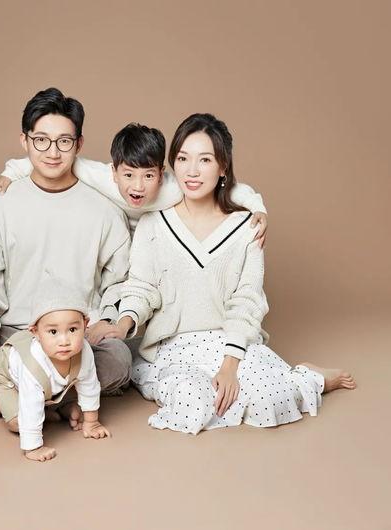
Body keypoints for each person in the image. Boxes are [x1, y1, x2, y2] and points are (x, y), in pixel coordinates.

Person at [113, 113, 356, 434]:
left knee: (271, 400)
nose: (192, 171)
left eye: (205, 159)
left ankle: (312, 377)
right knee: (191, 405)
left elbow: (247, 300)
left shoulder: (247, 227)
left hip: (229, 341)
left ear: (223, 167)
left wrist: (230, 366)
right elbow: (141, 288)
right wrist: (123, 324)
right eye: (183, 159)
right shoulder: (153, 224)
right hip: (172, 346)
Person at [0, 88, 132, 430]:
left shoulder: (104, 210)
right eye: (41, 140)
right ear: (25, 141)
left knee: (119, 359)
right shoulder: (0, 205)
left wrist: (104, 321)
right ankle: (55, 400)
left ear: (78, 144)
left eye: (63, 141)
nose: (52, 152)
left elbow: (119, 282)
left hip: (72, 339)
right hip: (11, 337)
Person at [0, 122, 269, 246]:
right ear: (114, 172)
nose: (138, 187)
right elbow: (60, 160)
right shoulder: (102, 177)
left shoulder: (174, 187)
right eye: (129, 175)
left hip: (154, 243)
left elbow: (227, 187)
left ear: (162, 173)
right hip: (116, 241)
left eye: (148, 176)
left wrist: (257, 207)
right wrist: (12, 172)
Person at [0, 278, 109, 462]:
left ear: (85, 324)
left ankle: (56, 408)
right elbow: (29, 404)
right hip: (4, 375)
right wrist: (33, 447)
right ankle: (47, 409)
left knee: (102, 364)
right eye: (53, 332)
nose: (64, 341)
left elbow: (90, 385)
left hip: (47, 386)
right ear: (35, 332)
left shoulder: (84, 352)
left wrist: (92, 423)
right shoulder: (33, 364)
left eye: (72, 329)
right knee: (18, 422)